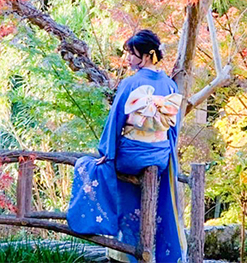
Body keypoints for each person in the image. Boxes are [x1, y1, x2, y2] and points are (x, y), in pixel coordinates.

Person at [67, 29, 187, 263]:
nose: (129, 59)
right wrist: (166, 151)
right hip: (161, 156)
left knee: (90, 166)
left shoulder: (132, 83)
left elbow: (115, 121)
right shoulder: (170, 85)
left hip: (132, 156)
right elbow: (174, 126)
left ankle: (119, 244)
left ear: (146, 55)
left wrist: (107, 153)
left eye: (132, 54)